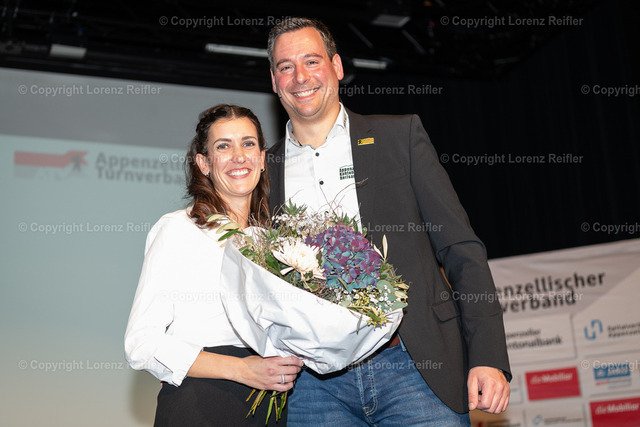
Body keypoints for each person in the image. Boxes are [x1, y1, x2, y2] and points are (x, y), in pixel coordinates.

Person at [266, 18, 511, 426]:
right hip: (312, 389)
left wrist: (486, 355)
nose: (300, 77)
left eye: (312, 61)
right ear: (274, 81)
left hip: (414, 367)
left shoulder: (400, 137)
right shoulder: (263, 170)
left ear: (337, 66)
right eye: (285, 67)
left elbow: (460, 249)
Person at [124, 104, 303, 426]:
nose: (239, 156)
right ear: (204, 164)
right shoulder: (178, 229)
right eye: (223, 146)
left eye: (248, 144)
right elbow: (141, 344)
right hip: (201, 400)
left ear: (262, 158)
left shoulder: (280, 245)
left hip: (268, 403)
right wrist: (242, 369)